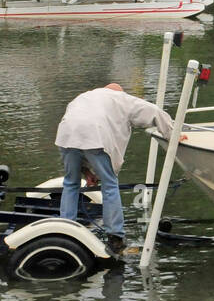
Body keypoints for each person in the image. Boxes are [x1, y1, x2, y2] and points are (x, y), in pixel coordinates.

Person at [54, 83, 174, 256]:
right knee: (110, 185)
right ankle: (115, 238)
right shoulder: (120, 98)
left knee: (71, 184)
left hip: (66, 135)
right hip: (94, 135)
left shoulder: (84, 96)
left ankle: (66, 231)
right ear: (119, 92)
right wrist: (172, 134)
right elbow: (153, 111)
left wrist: (87, 172)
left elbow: (78, 139)